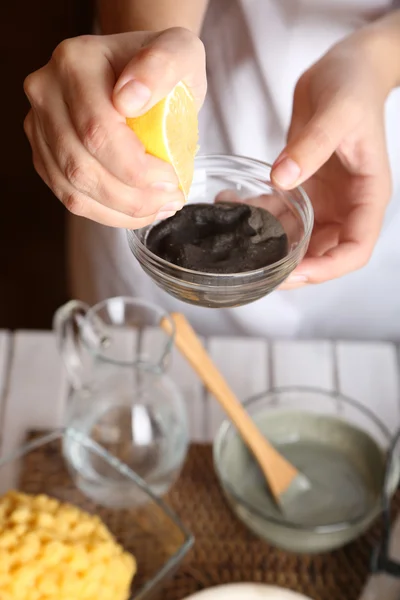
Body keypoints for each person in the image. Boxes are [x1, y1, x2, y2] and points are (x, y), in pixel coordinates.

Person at [23, 1, 400, 339]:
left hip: (367, 130)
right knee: (129, 369)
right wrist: (154, 52)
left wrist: (376, 60)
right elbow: (156, 56)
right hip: (176, 130)